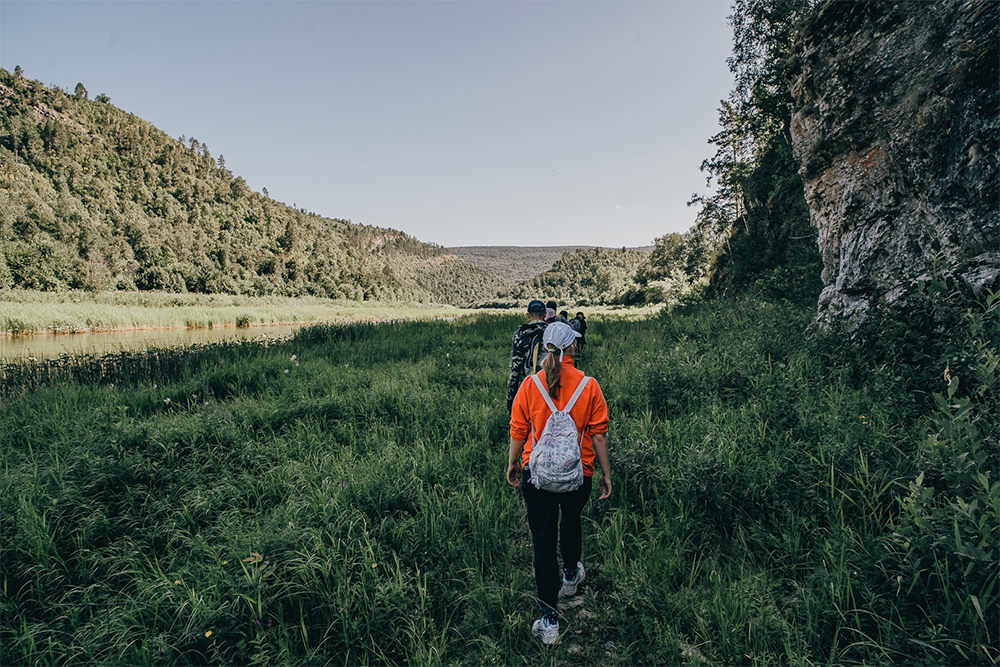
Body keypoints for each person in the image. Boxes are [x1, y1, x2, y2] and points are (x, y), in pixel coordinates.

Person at [506, 322, 611, 645]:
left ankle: (549, 621)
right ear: (572, 349)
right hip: (579, 474)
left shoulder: (529, 385)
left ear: (546, 348)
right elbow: (598, 434)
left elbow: (518, 431)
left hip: (537, 476)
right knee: (572, 519)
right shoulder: (589, 385)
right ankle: (569, 574)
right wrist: (606, 473)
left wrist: (512, 464)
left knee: (542, 540)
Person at [506, 300, 549, 412]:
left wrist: (511, 400)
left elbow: (515, 368)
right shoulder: (552, 332)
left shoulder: (520, 335)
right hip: (551, 387)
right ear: (545, 314)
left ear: (528, 315)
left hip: (527, 387)